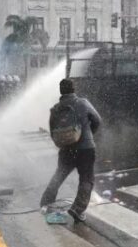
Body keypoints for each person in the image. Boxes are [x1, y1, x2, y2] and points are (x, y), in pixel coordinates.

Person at [40, 78, 102, 223]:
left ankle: (46, 202)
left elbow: (53, 131)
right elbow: (97, 120)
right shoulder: (83, 103)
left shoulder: (55, 109)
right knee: (86, 179)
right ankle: (77, 209)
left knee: (59, 175)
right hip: (86, 149)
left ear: (61, 91)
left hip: (66, 149)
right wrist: (88, 136)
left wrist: (63, 143)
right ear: (74, 89)